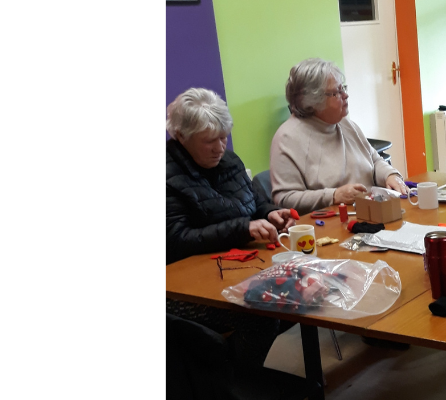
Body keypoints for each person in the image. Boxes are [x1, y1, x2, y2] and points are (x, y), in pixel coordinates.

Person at [164, 87, 287, 367]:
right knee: (261, 316)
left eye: (224, 137)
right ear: (181, 137)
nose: (221, 147)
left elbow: (257, 204)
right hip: (180, 289)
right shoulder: (165, 175)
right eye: (210, 140)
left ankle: (223, 373)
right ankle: (233, 385)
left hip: (235, 269)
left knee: (295, 294)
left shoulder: (229, 160)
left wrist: (272, 214)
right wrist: (243, 228)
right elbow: (177, 240)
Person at [269, 57, 409, 212]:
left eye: (344, 88)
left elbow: (374, 159)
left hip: (371, 213)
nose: (346, 95)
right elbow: (285, 199)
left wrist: (390, 175)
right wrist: (334, 196)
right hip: (328, 228)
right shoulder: (287, 138)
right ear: (313, 101)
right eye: (337, 92)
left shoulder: (345, 123)